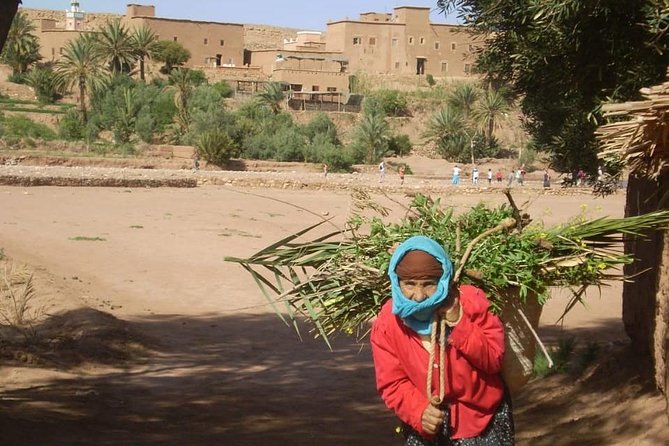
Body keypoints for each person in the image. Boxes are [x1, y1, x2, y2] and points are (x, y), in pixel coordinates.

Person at [371, 236, 514, 445]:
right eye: (409, 284)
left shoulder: (471, 302)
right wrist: (419, 411)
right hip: (427, 427)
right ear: (396, 281)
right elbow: (392, 383)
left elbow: (493, 360)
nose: (419, 296)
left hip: (482, 421)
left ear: (444, 279)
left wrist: (459, 322)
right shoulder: (388, 322)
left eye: (429, 285)